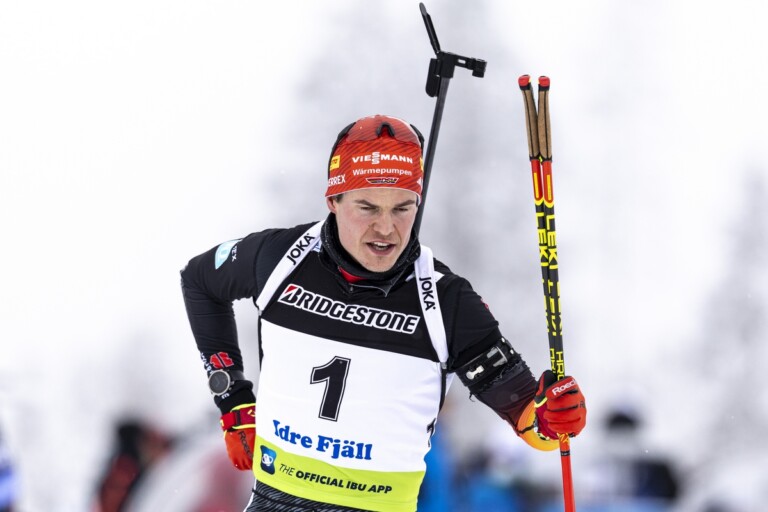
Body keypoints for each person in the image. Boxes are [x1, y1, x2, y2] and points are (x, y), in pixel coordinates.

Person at [180, 114, 587, 512]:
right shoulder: (279, 258)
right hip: (274, 500)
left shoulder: (446, 300)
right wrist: (233, 399)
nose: (386, 228)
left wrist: (554, 418)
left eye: (402, 208)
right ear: (333, 200)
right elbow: (199, 280)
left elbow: (529, 419)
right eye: (368, 207)